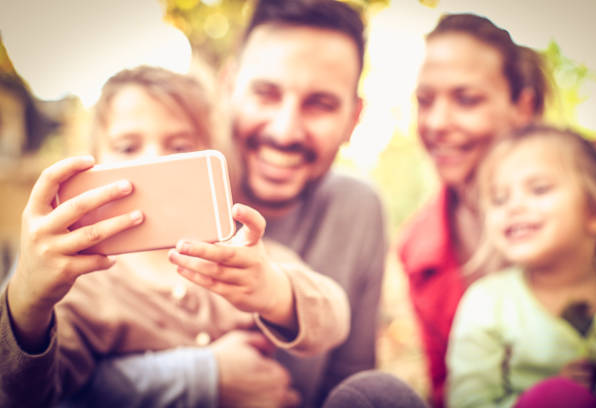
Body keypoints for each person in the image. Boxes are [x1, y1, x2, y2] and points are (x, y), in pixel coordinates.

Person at [73, 1, 388, 406]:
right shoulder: (94, 250)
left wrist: (276, 291)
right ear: (228, 87)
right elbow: (29, 376)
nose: (285, 130)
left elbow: (350, 374)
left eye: (320, 104)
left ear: (353, 118)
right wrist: (203, 376)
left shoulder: (356, 210)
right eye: (266, 93)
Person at [0, 65, 351, 407]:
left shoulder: (242, 256)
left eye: (180, 146)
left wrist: (274, 291)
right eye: (127, 148)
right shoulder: (84, 286)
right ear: (94, 163)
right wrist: (28, 302)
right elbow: (28, 394)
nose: (154, 161)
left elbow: (335, 318)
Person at [396, 13, 550, 408]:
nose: (437, 122)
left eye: (466, 100)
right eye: (424, 101)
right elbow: (450, 388)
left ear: (523, 107)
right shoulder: (418, 247)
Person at [446, 125, 596, 408]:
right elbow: (466, 401)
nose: (514, 206)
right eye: (499, 199)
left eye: (539, 189)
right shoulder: (487, 304)